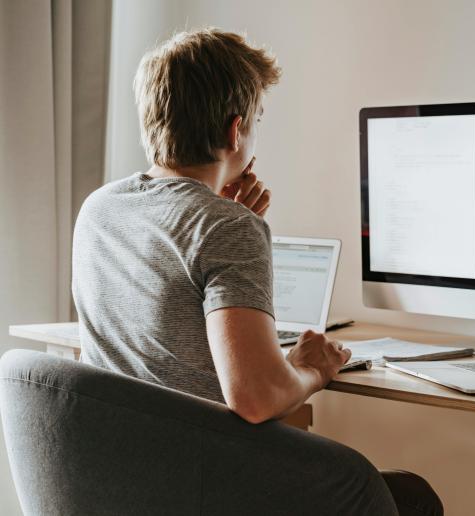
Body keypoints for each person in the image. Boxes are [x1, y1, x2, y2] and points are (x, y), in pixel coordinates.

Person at [72, 28, 443, 516]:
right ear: (235, 130)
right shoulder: (226, 226)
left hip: (122, 482)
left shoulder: (100, 208)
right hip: (202, 485)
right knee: (411, 496)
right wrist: (312, 368)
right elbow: (256, 397)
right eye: (258, 122)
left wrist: (227, 217)